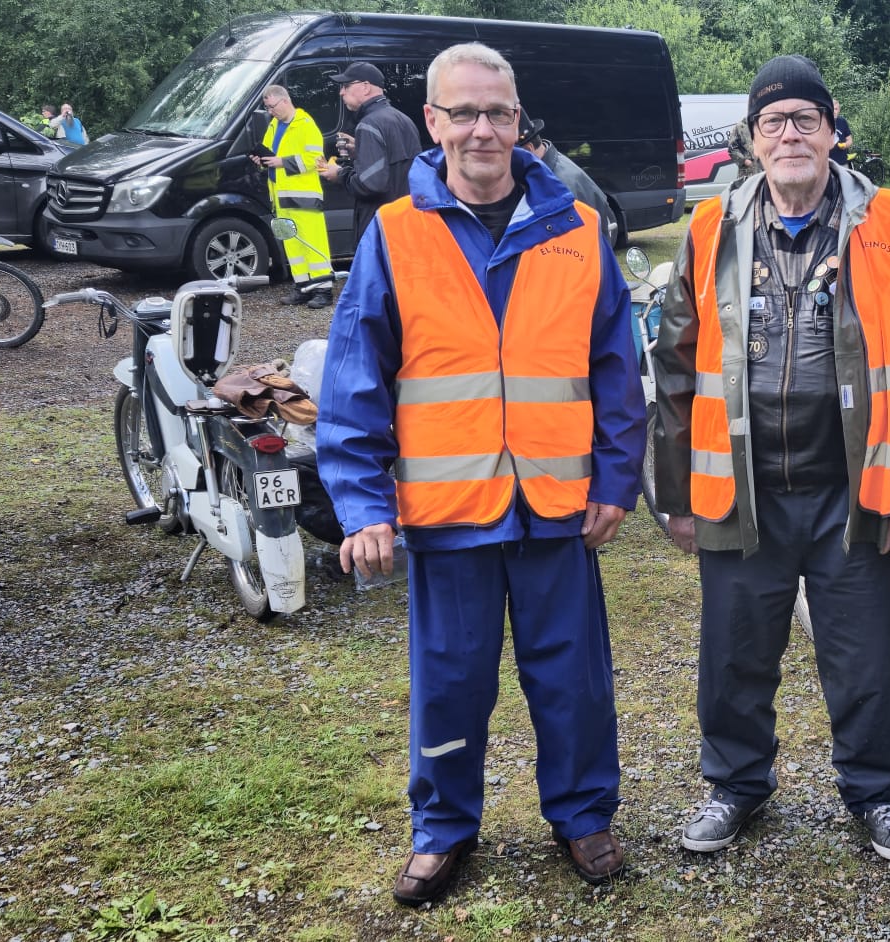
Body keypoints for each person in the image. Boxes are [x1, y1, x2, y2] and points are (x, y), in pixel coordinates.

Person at [316, 41, 644, 905]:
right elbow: (354, 379)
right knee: (451, 686)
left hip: (555, 507)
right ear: (433, 121)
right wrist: (363, 505)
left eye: (498, 112)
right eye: (464, 113)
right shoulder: (396, 233)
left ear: (517, 118)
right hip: (449, 512)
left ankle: (583, 815)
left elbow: (617, 367)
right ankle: (442, 830)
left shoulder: (577, 228)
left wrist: (616, 482)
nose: (482, 130)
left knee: (572, 679)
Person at [650, 54, 890, 865]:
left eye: (805, 120)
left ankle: (878, 793)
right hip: (740, 491)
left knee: (869, 660)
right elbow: (675, 366)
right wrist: (677, 493)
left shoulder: (886, 220)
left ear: (831, 131)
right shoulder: (711, 227)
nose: (790, 135)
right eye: (774, 121)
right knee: (733, 655)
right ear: (753, 138)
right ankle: (736, 786)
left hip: (853, 490)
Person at [319, 61, 422, 245]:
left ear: (366, 87)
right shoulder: (403, 119)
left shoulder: (369, 124)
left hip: (379, 226)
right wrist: (360, 150)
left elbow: (371, 184)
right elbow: (396, 168)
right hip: (405, 221)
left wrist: (339, 174)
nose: (341, 92)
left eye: (346, 86)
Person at [252, 85, 334, 308]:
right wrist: (262, 161)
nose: (270, 111)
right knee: (293, 245)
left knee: (313, 244)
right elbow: (270, 155)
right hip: (280, 197)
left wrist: (282, 162)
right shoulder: (274, 125)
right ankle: (303, 287)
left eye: (272, 106)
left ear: (285, 101)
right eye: (267, 108)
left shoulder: (305, 124)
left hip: (304, 197)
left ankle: (323, 290)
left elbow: (316, 159)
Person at [516, 112, 614, 243]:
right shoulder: (550, 171)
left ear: (528, 150)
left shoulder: (560, 189)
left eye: (508, 156)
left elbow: (571, 248)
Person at [830, 98, 852, 166]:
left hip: (843, 163)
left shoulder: (842, 121)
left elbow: (850, 140)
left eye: (836, 109)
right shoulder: (823, 122)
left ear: (839, 110)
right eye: (832, 109)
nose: (834, 111)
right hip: (827, 163)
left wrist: (845, 145)